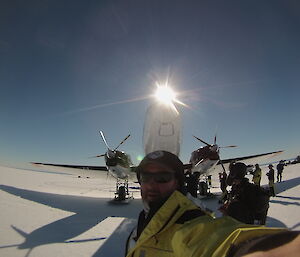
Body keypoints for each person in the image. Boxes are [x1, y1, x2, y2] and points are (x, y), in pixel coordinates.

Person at [125, 150, 299, 257]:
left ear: (178, 182)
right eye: (145, 177)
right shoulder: (140, 225)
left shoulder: (189, 224)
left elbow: (219, 239)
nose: (152, 184)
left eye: (163, 177)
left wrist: (265, 249)